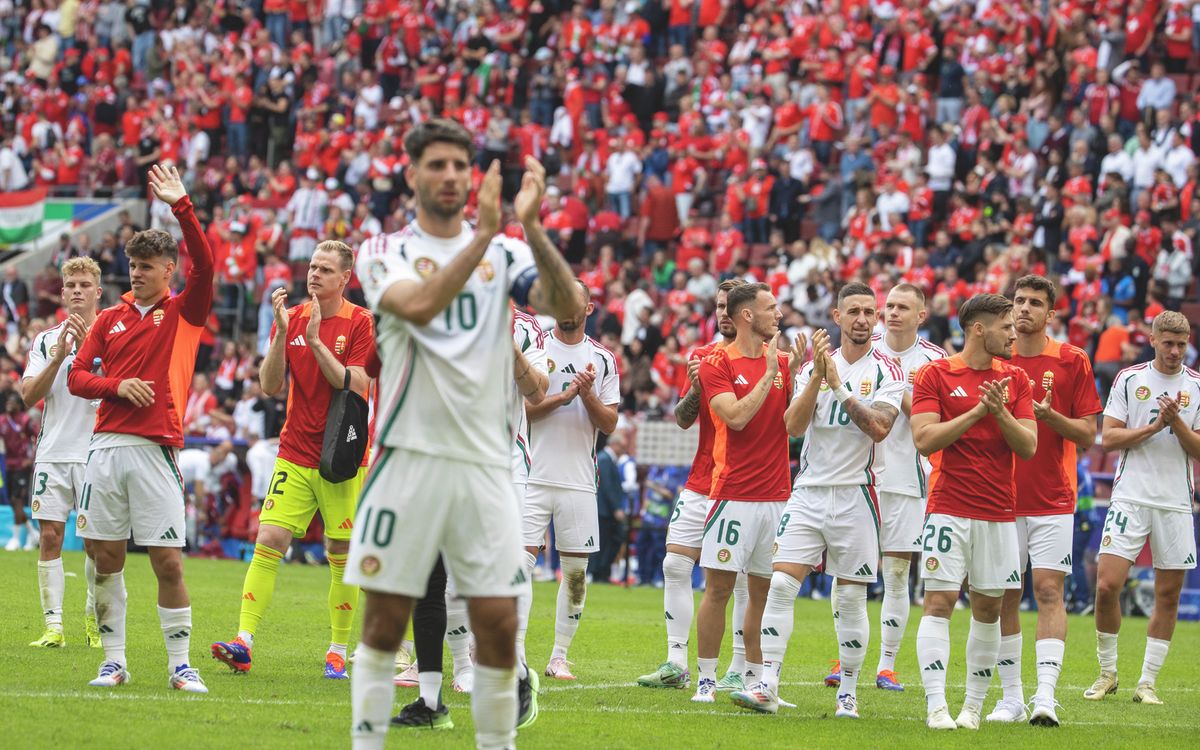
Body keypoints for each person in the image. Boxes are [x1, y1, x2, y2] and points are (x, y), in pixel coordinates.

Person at [344, 119, 583, 750]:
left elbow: (568, 305)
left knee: (498, 624)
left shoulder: (507, 253)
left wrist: (530, 228)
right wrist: (485, 236)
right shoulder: (381, 250)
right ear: (412, 174)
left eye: (460, 165)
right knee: (385, 619)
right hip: (407, 459)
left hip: (485, 466)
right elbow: (418, 305)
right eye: (438, 165)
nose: (450, 176)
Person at [66, 164, 213, 693]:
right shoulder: (109, 319)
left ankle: (180, 665)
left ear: (169, 270)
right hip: (104, 449)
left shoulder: (183, 313)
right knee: (106, 560)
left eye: (147, 266)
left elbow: (209, 266)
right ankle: (114, 661)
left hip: (156, 449)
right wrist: (118, 386)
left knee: (168, 561)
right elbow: (78, 377)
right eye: (132, 265)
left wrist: (183, 206)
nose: (137, 274)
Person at [734, 282, 904, 718]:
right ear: (836, 316)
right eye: (854, 312)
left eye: (870, 312)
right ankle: (767, 684)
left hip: (858, 495)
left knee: (849, 599)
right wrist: (814, 378)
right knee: (781, 584)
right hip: (808, 491)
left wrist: (840, 388)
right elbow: (792, 426)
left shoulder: (888, 370)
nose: (863, 319)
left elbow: (880, 428)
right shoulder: (812, 367)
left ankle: (848, 692)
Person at [210, 239, 376, 680]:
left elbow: (355, 383)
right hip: (296, 450)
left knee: (340, 550)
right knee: (269, 538)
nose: (314, 274)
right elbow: (269, 385)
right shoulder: (293, 318)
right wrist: (283, 335)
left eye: (325, 269)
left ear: (345, 278)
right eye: (312, 267)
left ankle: (337, 649)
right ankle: (243, 642)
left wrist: (318, 342)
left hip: (342, 455)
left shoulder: (361, 323)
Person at [391, 305, 550, 730]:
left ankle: (517, 675)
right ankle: (430, 703)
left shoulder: (525, 327)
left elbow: (537, 391)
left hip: (498, 468)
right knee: (428, 581)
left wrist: (507, 345)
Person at [909, 293, 1037, 730]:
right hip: (947, 508)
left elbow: (1029, 445)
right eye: (1006, 326)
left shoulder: (1016, 380)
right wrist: (978, 410)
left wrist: (999, 412)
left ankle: (972, 709)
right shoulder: (935, 375)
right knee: (939, 602)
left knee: (988, 609)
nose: (1013, 332)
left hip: (1000, 513)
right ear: (979, 329)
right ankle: (936, 707)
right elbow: (924, 440)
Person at [989, 276, 1102, 726]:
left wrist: (1049, 414)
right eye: (1018, 301)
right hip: (999, 496)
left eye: (1035, 303)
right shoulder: (997, 357)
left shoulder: (1072, 360)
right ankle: (1010, 698)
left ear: (1050, 314)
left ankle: (1045, 696)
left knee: (1049, 590)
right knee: (1004, 596)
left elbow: (1089, 436)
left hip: (1052, 498)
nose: (1024, 309)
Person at [826, 283, 947, 693]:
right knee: (847, 573)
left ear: (921, 315)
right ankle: (843, 657)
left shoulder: (935, 360)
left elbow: (937, 419)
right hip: (858, 476)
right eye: (889, 306)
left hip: (907, 477)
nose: (892, 313)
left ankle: (887, 665)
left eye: (902, 307)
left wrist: (903, 397)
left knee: (897, 572)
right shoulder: (863, 350)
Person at [637, 279, 753, 692]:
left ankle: (738, 666)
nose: (722, 313)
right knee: (674, 564)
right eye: (719, 305)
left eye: (729, 306)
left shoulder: (762, 357)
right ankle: (675, 662)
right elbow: (684, 417)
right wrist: (699, 386)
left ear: (747, 312)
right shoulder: (702, 356)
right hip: (702, 479)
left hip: (744, 484)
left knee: (738, 577)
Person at [1087, 311, 1200, 706]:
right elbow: (1109, 438)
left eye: (1181, 344)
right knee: (1106, 587)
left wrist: (1177, 424)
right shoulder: (1129, 379)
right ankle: (1107, 673)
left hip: (1175, 502)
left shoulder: (1197, 387)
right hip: (1131, 496)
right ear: (1152, 339)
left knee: (1168, 595)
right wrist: (1153, 427)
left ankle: (1147, 682)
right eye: (1167, 343)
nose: (1174, 351)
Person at [690, 282, 794, 703]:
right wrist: (769, 374)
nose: (779, 315)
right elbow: (734, 417)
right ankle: (706, 681)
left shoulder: (786, 362)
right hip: (732, 493)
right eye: (772, 308)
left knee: (764, 591)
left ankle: (757, 681)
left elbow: (797, 422)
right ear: (747, 315)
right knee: (717, 589)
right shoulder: (716, 362)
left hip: (777, 496)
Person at [518, 279, 620, 680]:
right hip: (531, 476)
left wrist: (587, 394)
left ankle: (560, 655)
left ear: (589, 309)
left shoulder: (603, 359)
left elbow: (609, 424)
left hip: (578, 480)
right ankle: (515, 651)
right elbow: (521, 411)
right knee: (519, 566)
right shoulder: (537, 346)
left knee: (576, 575)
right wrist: (562, 397)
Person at [22, 257, 104, 648]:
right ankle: (53, 626)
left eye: (84, 285)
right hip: (53, 451)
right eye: (70, 284)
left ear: (97, 291)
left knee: (93, 542)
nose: (76, 291)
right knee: (50, 535)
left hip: (94, 452)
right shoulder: (44, 340)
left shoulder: (113, 335)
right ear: (62, 292)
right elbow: (28, 397)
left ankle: (92, 621)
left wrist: (88, 345)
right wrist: (58, 356)